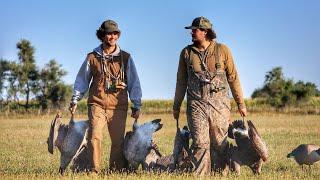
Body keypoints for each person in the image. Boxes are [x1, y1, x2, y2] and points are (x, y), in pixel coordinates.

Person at [173, 16, 247, 175]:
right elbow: (181, 82)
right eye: (192, 30)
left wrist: (241, 103)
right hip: (196, 105)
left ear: (205, 31)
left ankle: (220, 174)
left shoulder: (223, 50)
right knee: (200, 142)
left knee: (219, 143)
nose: (192, 33)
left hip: (220, 105)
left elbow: (233, 78)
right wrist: (176, 106)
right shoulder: (186, 53)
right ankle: (200, 175)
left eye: (195, 30)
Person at [69, 19, 142, 173]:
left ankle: (115, 171)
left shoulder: (126, 57)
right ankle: (94, 170)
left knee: (117, 142)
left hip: (118, 107)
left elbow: (134, 81)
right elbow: (82, 79)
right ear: (102, 35)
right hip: (97, 104)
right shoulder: (92, 57)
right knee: (94, 137)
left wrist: (136, 104)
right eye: (109, 33)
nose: (112, 37)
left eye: (115, 33)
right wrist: (75, 98)